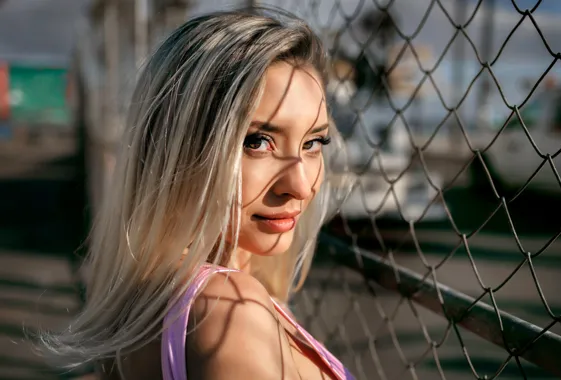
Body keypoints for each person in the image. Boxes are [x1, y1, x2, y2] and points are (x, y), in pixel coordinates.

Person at [39, 7, 354, 380]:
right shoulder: (228, 312)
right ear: (180, 148)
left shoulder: (147, 300)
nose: (301, 186)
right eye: (258, 141)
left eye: (314, 142)